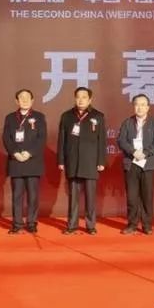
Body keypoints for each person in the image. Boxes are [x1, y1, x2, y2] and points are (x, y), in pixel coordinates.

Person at [57, 87, 106, 235]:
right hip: (72, 161)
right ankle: (72, 225)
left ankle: (90, 226)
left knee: (90, 197)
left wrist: (101, 161)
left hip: (91, 161)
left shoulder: (98, 116)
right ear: (75, 98)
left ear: (90, 99)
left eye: (84, 97)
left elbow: (102, 140)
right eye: (78, 97)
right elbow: (62, 140)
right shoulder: (67, 116)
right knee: (73, 197)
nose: (81, 100)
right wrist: (61, 160)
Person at [117, 94, 154, 235]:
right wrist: (133, 152)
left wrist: (146, 153)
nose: (140, 107)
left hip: (147, 163)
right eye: (137, 104)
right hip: (131, 163)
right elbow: (121, 141)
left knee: (147, 196)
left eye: (143, 104)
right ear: (133, 106)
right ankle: (132, 224)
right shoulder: (127, 122)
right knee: (132, 197)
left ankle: (147, 225)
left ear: (148, 107)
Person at [2, 89, 47, 234]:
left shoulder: (39, 117)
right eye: (21, 97)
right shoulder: (10, 118)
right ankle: (17, 223)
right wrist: (15, 153)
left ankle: (32, 222)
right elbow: (6, 138)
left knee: (33, 196)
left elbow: (42, 138)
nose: (25, 100)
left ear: (32, 100)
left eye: (27, 97)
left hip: (33, 162)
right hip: (16, 162)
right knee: (17, 195)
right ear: (16, 101)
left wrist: (29, 153)